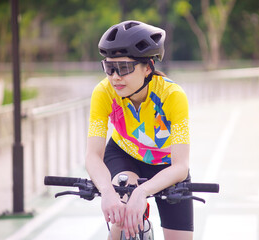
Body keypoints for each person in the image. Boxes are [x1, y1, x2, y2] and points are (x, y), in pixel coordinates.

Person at [85, 20, 192, 240]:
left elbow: (180, 166)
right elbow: (93, 155)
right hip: (125, 156)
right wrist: (107, 192)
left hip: (166, 166)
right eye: (109, 68)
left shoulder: (173, 96)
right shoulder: (103, 92)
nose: (115, 77)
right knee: (120, 215)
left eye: (123, 68)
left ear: (148, 68)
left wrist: (142, 192)